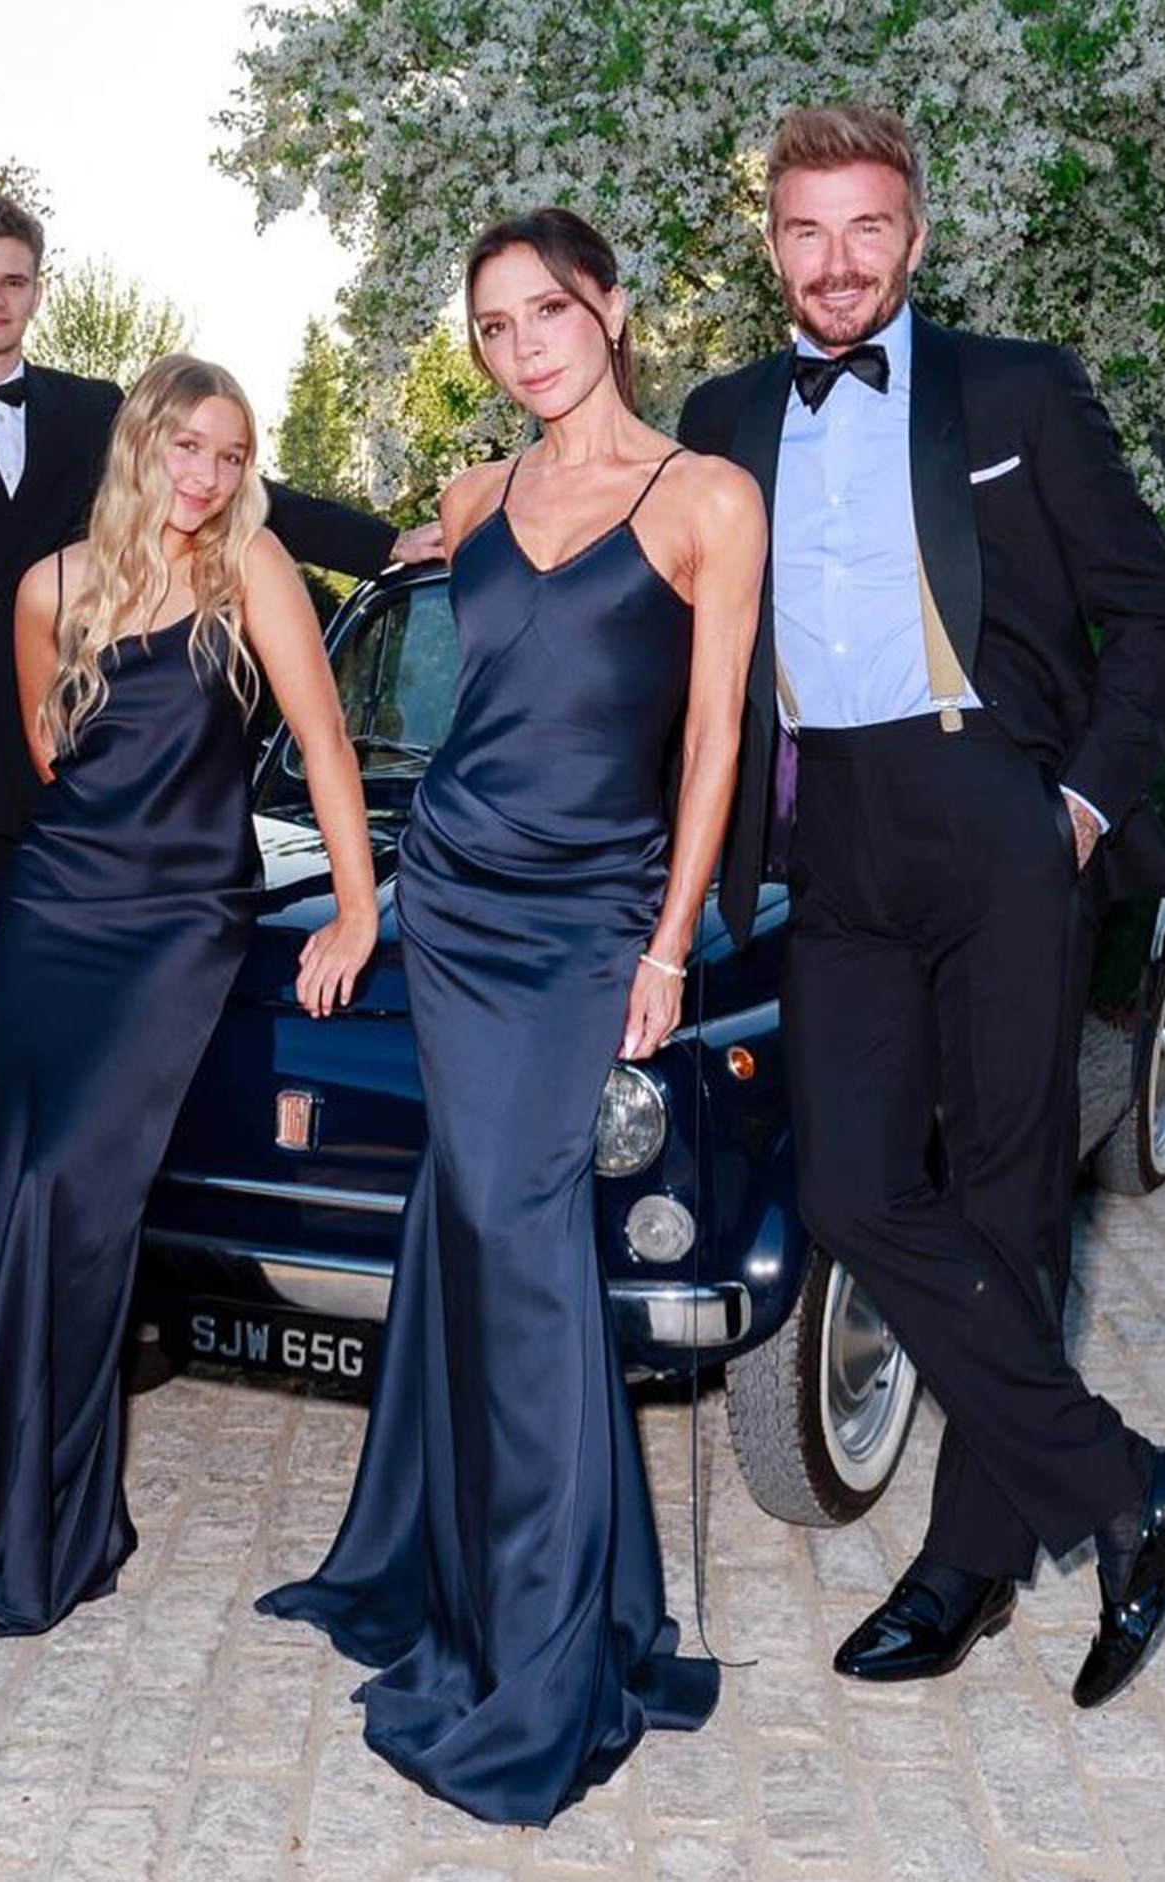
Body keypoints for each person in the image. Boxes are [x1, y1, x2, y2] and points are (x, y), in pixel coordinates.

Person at [677, 105, 1165, 1710]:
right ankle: (1129, 1488)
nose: (835, 262)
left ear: (913, 236)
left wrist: (1072, 805)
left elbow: (1150, 620)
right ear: (768, 243)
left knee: (1004, 1200)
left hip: (996, 811)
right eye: (804, 230)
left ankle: (967, 1563)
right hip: (831, 838)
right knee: (851, 1191)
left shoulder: (1018, 389)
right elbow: (601, 506)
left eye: (866, 229)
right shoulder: (722, 414)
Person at [260, 209, 764, 1825]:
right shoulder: (476, 498)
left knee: (525, 1246)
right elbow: (364, 563)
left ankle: (549, 1653)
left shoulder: (704, 501)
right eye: (492, 327)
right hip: (457, 898)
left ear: (609, 308)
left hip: (594, 916)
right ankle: (449, 1571)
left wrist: (671, 946)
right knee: (471, 1227)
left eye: (545, 311)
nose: (523, 344)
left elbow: (709, 747)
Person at [0, 195, 440, 1362]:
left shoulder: (104, 414)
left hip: (62, 786)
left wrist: (380, 542)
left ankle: (109, 1264)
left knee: (77, 1048)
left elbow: (243, 493)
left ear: (37, 288)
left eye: (13, 279)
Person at [0, 354, 377, 1633]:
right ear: (139, 446)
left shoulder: (252, 575)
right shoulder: (50, 587)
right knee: (14, 1193)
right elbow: (55, 755)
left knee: (74, 1194)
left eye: (230, 455)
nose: (210, 477)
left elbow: (323, 743)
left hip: (179, 923)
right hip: (54, 912)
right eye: (188, 450)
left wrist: (360, 911)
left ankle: (52, 1515)